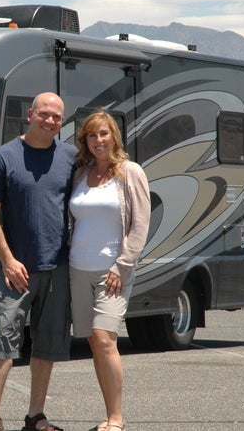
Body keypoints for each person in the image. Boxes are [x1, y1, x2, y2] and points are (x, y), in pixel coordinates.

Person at [0, 92, 77, 431]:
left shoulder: (70, 158)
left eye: (57, 117)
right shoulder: (4, 157)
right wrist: (7, 259)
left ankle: (36, 416)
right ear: (30, 114)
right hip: (15, 270)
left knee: (47, 344)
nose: (49, 121)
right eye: (44, 114)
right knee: (3, 338)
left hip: (58, 267)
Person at [68, 111, 150, 431]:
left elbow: (140, 224)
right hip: (78, 268)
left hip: (112, 270)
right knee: (93, 343)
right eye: (92, 135)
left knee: (105, 339)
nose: (98, 140)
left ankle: (117, 418)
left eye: (104, 134)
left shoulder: (130, 172)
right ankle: (108, 413)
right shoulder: (81, 174)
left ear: (114, 136)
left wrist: (123, 264)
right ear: (85, 141)